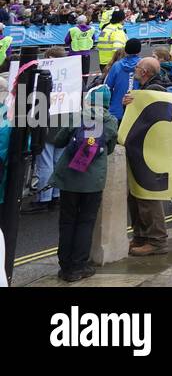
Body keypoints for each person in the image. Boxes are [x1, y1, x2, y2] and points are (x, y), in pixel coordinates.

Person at [48, 84, 117, 281]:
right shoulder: (110, 120)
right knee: (86, 222)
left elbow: (60, 140)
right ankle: (79, 267)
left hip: (69, 177)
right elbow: (110, 149)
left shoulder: (77, 115)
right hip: (92, 181)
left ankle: (65, 266)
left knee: (67, 221)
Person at [120, 57, 169, 255]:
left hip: (149, 151)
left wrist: (135, 104)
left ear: (146, 72)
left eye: (138, 67)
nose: (135, 70)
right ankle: (140, 236)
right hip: (139, 148)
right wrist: (128, 105)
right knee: (135, 195)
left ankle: (156, 240)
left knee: (148, 196)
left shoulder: (155, 90)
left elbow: (151, 119)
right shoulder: (147, 88)